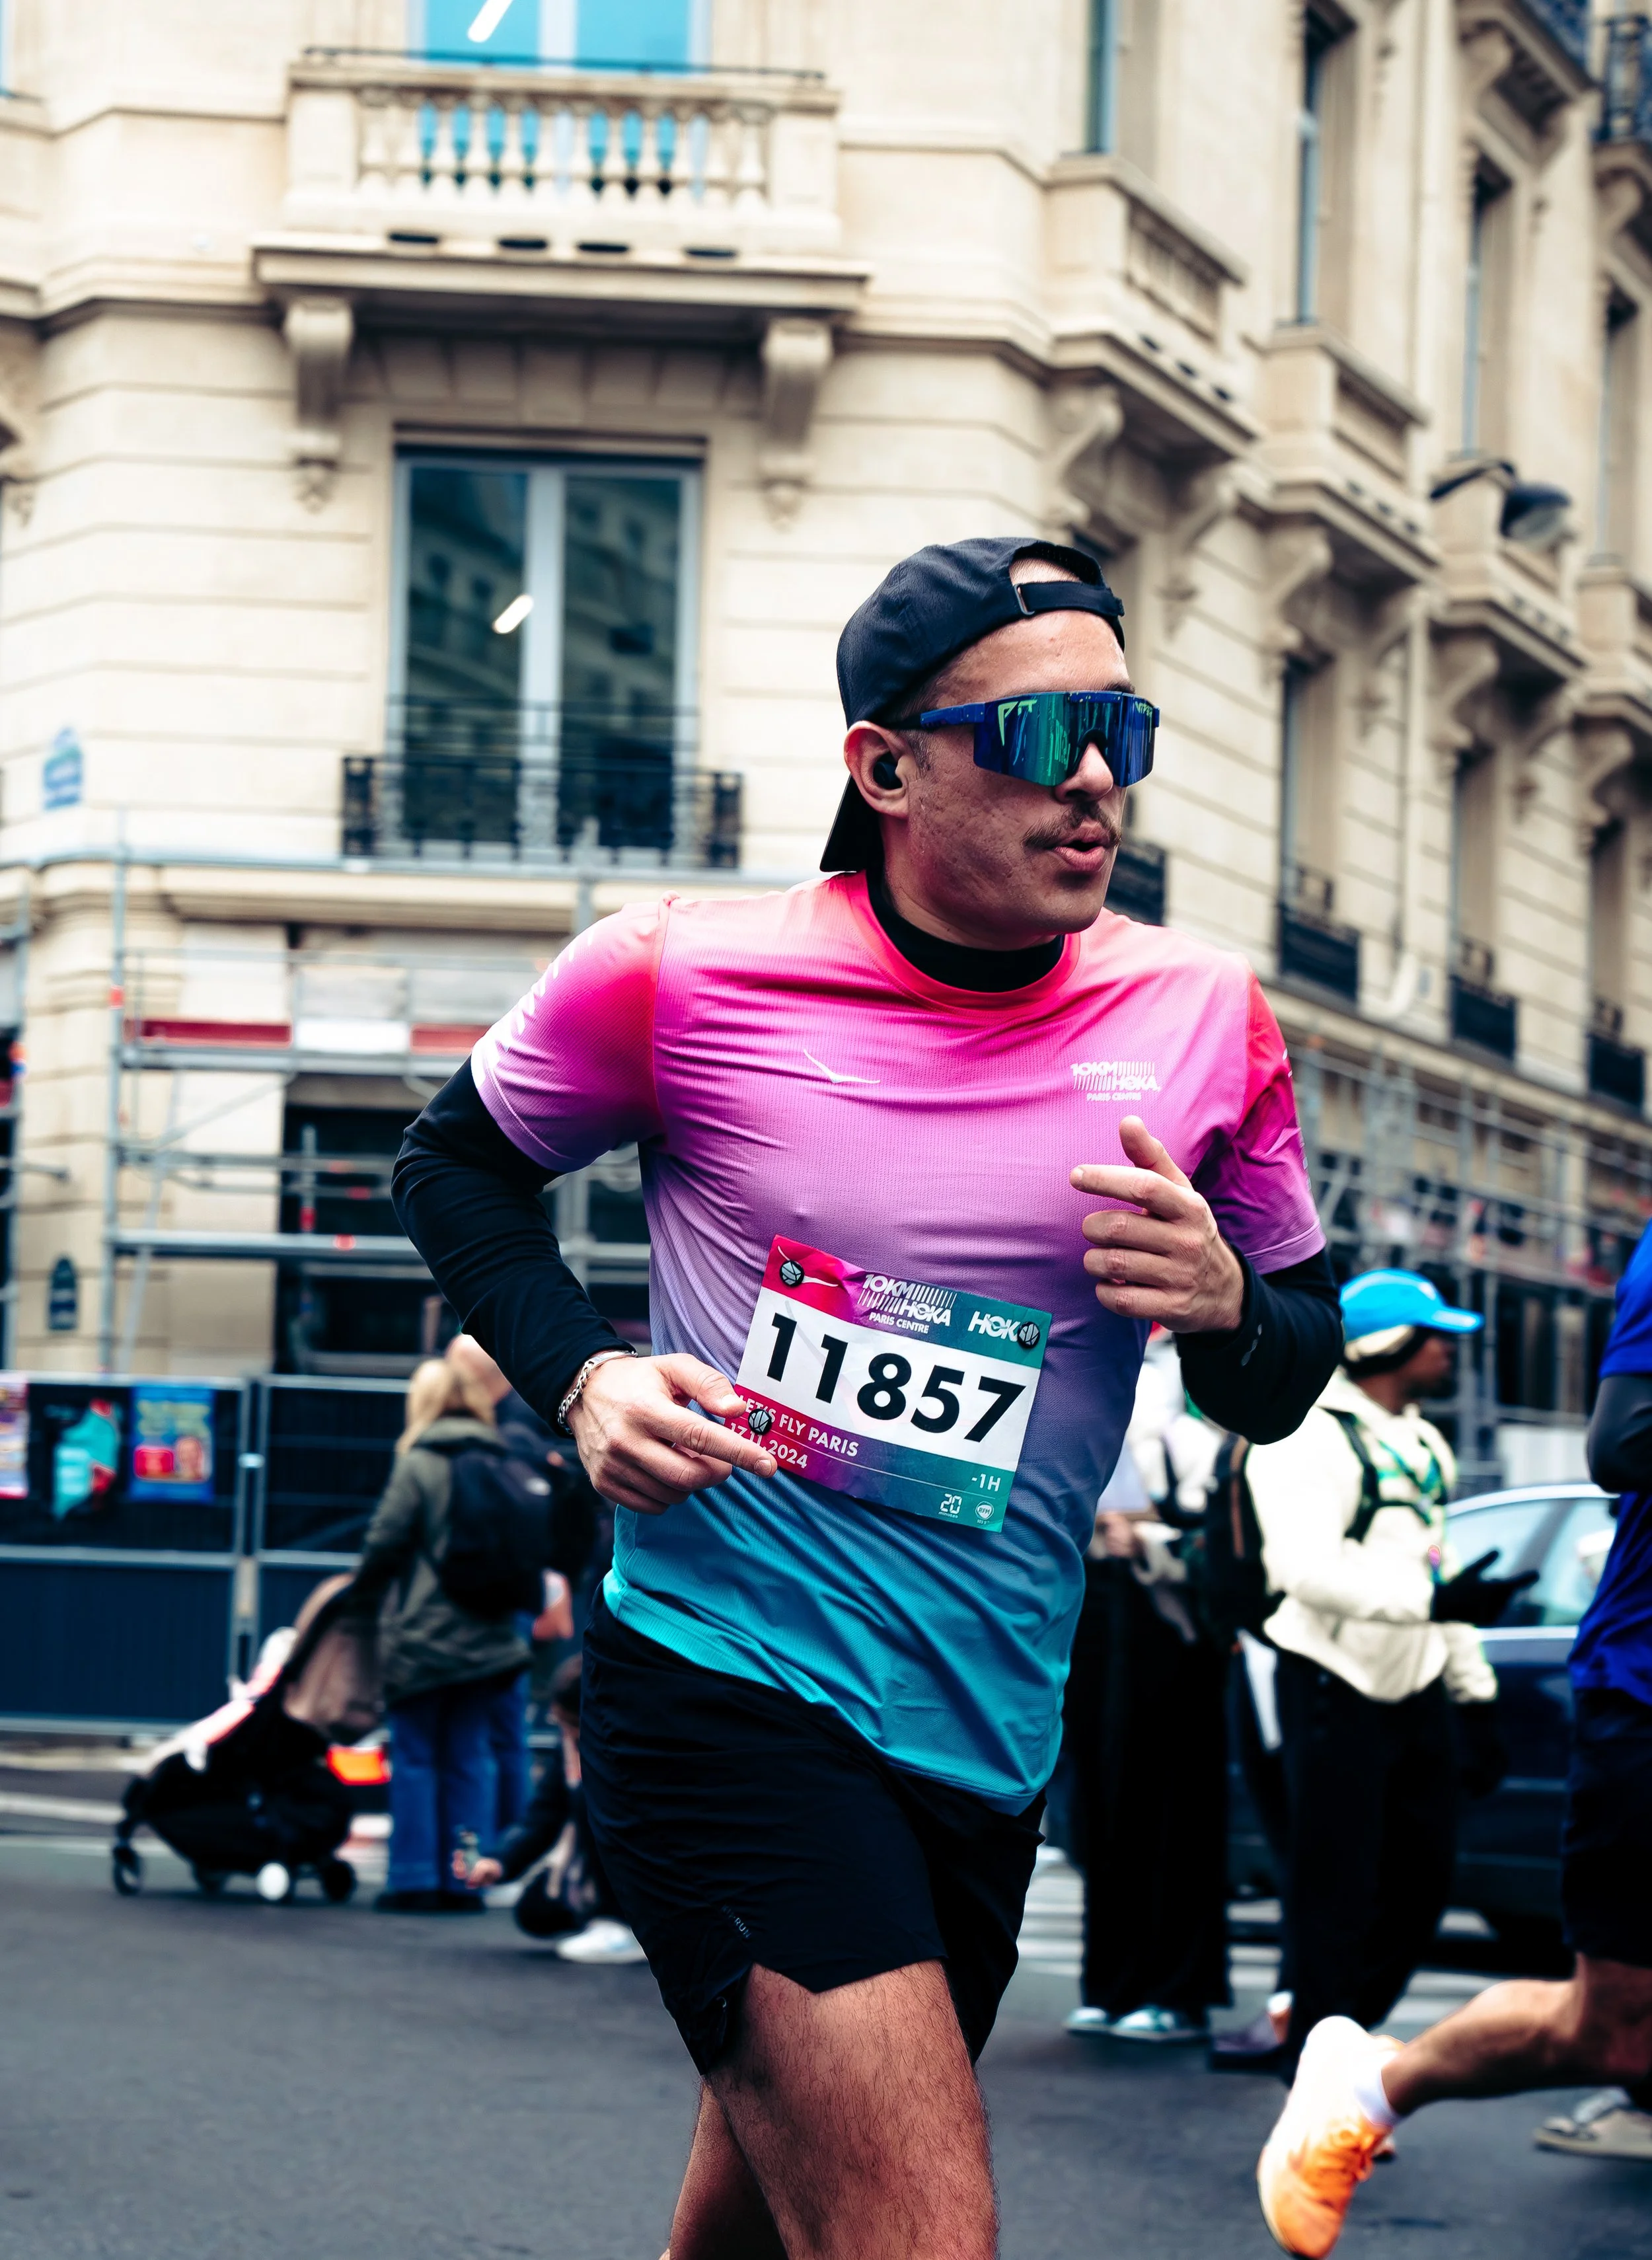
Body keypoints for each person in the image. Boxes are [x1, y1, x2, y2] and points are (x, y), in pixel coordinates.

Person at [394, 535, 1344, 2260]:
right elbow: (452, 1168)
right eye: (1038, 731)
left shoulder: (1206, 1016)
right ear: (883, 764)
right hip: (724, 1690)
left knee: (759, 2229)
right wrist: (586, 1375)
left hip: (983, 1738)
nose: (1090, 782)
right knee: (915, 2232)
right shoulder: (676, 970)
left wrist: (1225, 1308)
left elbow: (1289, 1367)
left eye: (1119, 729)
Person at [1241, 1270, 1524, 2100]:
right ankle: (1321, 2084)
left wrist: (1474, 1695)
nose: (1450, 1350)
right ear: (1384, 1346)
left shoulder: (1425, 1443)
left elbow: (1436, 1571)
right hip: (1331, 1684)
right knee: (1333, 1897)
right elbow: (1303, 1570)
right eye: (1435, 1335)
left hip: (1417, 1685)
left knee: (1423, 1885)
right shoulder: (1302, 1436)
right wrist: (1435, 1600)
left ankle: (1343, 2050)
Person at [1064, 1331, 1230, 2043]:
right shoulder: (1083, 1355)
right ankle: (1112, 1981)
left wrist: (1151, 1533)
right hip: (1099, 1599)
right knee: (1106, 1794)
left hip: (1174, 1612)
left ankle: (1176, 1988)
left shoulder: (1197, 1370)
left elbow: (1219, 1505)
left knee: (1175, 1799)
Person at [353, 1357, 531, 1913]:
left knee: (414, 1757)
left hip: (424, 1635)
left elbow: (385, 1539)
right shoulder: (502, 1456)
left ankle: (413, 1878)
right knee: (470, 1757)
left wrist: (361, 1598)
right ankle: (464, 1878)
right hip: (492, 1639)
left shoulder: (421, 1461)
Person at [447, 1331, 601, 1830]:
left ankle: (502, 1837)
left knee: (491, 1722)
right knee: (510, 1720)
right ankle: (513, 1831)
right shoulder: (533, 1421)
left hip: (502, 1594)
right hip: (534, 1589)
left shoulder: (497, 1436)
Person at [459, 1655, 646, 1964]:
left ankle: (620, 1924)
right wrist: (500, 1862)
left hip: (645, 1868)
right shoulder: (571, 1745)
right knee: (536, 1912)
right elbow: (544, 1815)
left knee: (597, 1800)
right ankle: (603, 1914)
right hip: (602, 1864)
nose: (567, 1733)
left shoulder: (640, 1748)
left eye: (571, 1724)